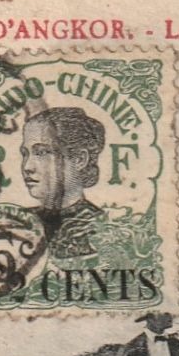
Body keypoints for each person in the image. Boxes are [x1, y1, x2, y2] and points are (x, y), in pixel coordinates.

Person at [19, 106, 107, 258]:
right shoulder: (17, 221)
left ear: (79, 160)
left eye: (41, 152)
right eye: (25, 154)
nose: (27, 167)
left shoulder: (103, 229)